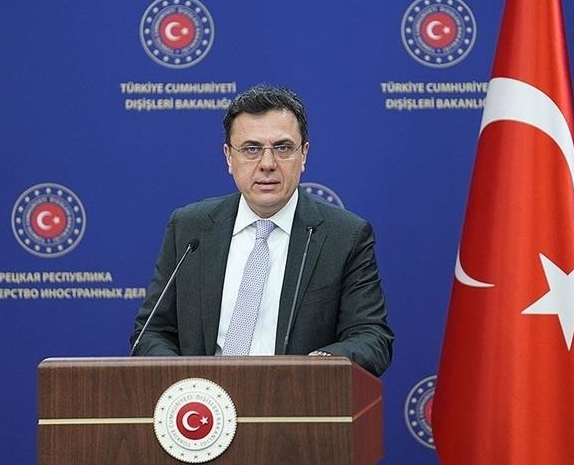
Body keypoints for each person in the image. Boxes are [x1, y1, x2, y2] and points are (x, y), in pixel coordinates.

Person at [130, 84, 393, 376]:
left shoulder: (344, 236)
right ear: (229, 157)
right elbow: (152, 332)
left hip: (297, 396)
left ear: (304, 155)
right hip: (205, 399)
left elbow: (372, 338)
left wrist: (317, 367)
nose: (267, 164)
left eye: (282, 148)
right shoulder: (190, 228)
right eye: (251, 149)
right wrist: (187, 380)